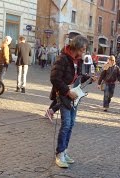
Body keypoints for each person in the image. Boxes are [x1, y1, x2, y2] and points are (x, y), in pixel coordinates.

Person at [50, 35, 92, 168]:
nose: (84, 52)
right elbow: (55, 78)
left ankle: (65, 151)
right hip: (64, 96)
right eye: (83, 49)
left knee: (71, 124)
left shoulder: (78, 60)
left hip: (74, 96)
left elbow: (77, 78)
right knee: (66, 125)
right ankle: (59, 154)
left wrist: (88, 78)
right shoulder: (62, 58)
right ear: (77, 47)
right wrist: (68, 92)